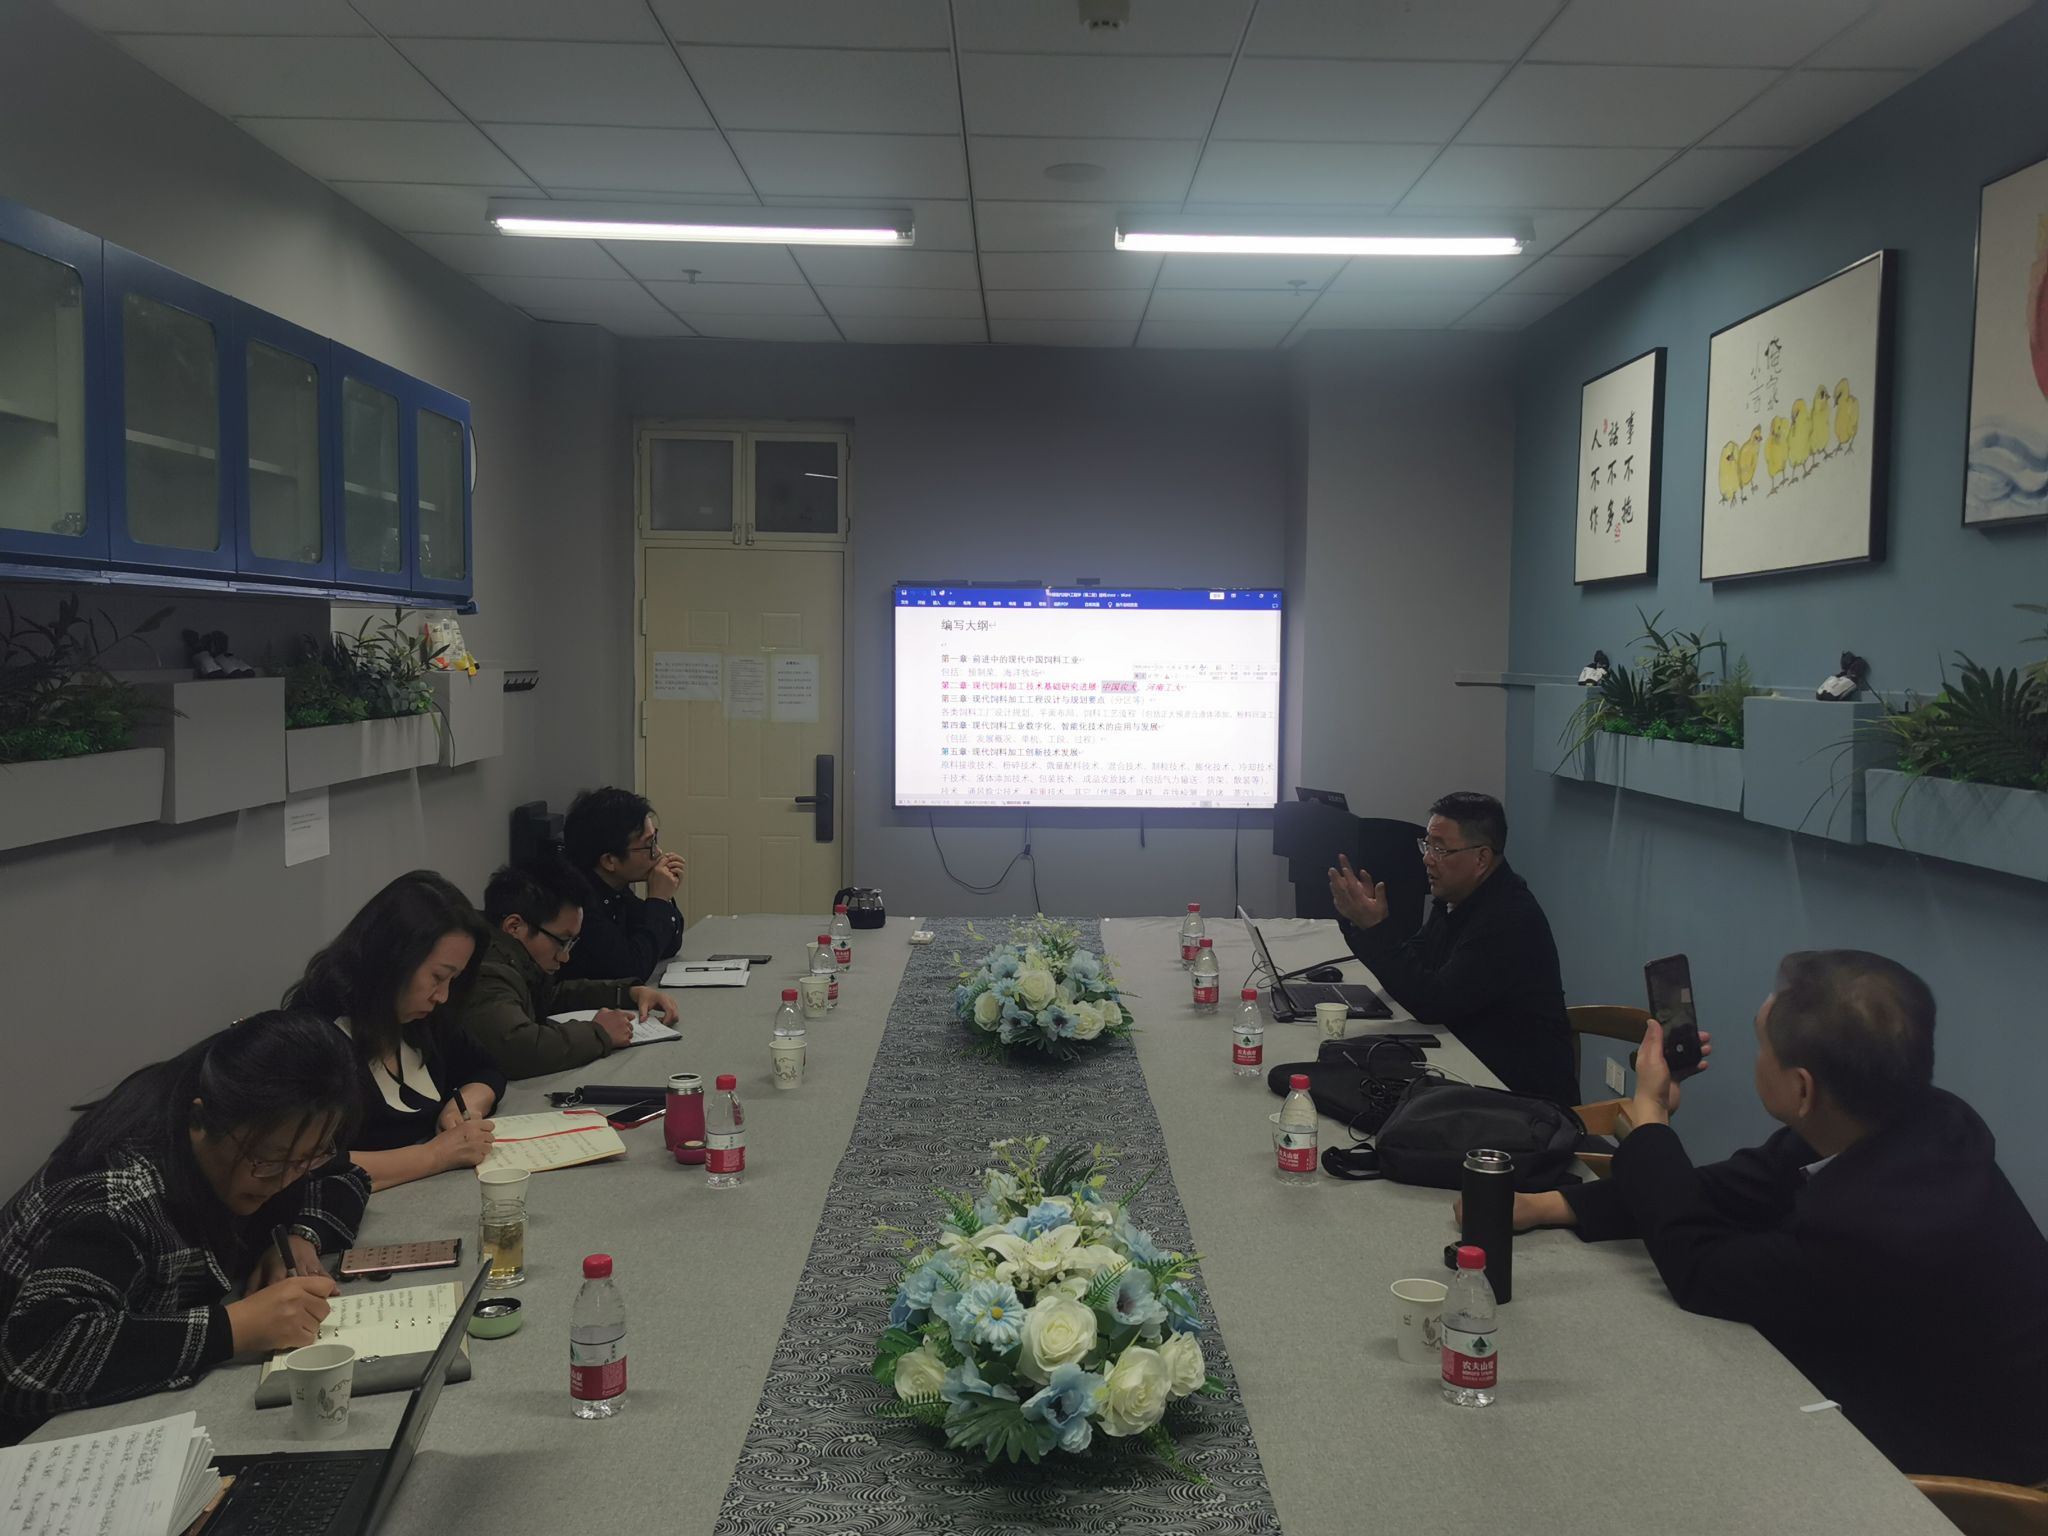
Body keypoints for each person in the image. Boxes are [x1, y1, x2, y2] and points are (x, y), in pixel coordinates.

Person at [1510, 951, 2048, 1484]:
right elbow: (1737, 1187)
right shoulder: (1917, 1115)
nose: (1755, 1057)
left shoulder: (1872, 1227)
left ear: (1802, 1089)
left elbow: (1700, 1270)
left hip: (1974, 1469)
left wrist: (1648, 1118)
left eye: (1762, 1044)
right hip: (1924, 1375)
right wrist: (1553, 1204)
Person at [0, 1012, 360, 1444]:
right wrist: (235, 1328)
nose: (285, 1180)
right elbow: (39, 1355)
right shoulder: (121, 1193)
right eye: (268, 1161)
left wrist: (302, 1235)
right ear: (200, 1122)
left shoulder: (271, 1133)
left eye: (305, 1159)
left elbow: (344, 1177)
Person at [1327, 791, 1575, 1105]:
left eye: (1440, 849)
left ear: (1481, 858)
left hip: (1522, 1098)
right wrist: (1364, 922)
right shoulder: (1458, 897)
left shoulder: (1509, 919)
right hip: (1468, 1065)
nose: (1427, 858)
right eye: (1427, 845)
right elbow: (1418, 959)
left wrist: (1375, 928)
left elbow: (1433, 1002)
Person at [285, 870, 504, 1190]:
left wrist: (465, 1106)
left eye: (453, 980)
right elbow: (304, 1166)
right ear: (391, 959)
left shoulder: (419, 1017)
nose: (442, 996)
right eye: (437, 977)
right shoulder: (313, 1036)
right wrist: (435, 1156)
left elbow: (485, 1069)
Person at [461, 861, 681, 1078]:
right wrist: (599, 1033)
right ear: (514, 927)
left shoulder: (514, 957)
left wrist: (627, 993)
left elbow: (549, 997)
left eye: (572, 943)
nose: (565, 956)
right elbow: (518, 1049)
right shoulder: (487, 971)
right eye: (562, 941)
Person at [558, 787, 685, 984]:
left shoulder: (615, 888)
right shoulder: (578, 906)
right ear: (610, 860)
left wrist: (664, 900)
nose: (658, 852)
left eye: (655, 840)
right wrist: (659, 899)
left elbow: (668, 944)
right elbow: (632, 970)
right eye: (648, 845)